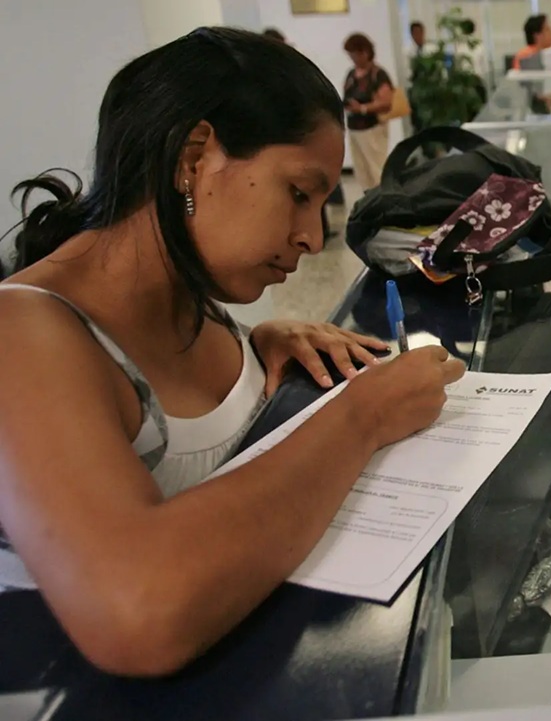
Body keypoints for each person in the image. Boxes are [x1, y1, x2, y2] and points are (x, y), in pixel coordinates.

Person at [0, 27, 465, 676]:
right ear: (194, 158)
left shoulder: (196, 300)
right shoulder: (21, 335)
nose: (310, 237)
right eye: (299, 193)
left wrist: (254, 345)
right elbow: (135, 607)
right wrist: (363, 414)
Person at [342, 32, 394, 190]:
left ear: (365, 52)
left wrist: (363, 108)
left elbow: (386, 103)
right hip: (354, 129)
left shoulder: (378, 75)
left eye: (355, 54)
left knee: (376, 170)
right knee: (362, 172)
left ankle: (383, 204)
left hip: (372, 129)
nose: (353, 59)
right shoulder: (351, 74)